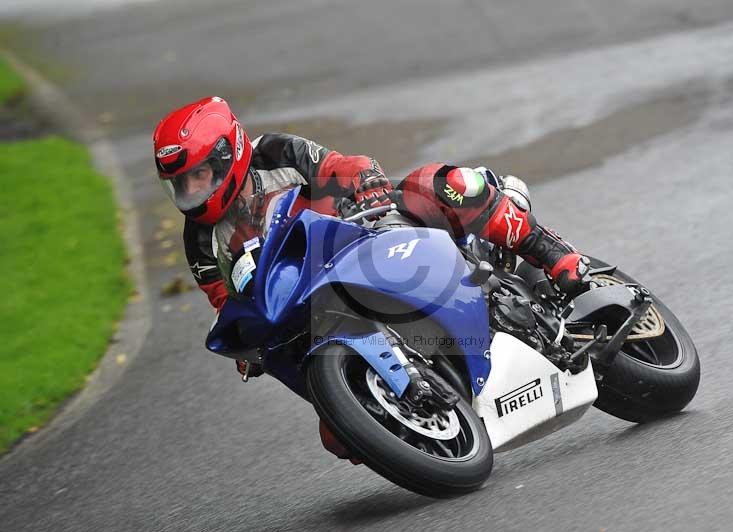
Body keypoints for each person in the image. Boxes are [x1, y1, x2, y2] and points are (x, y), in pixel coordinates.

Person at [153, 96, 589, 459]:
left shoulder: (275, 154)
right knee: (336, 437)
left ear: (229, 155)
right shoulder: (200, 241)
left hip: (368, 236)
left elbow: (341, 165)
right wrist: (245, 345)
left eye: (199, 176)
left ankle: (552, 254)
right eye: (181, 184)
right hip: (315, 306)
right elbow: (224, 299)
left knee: (441, 184)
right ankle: (421, 417)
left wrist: (365, 181)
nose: (191, 192)